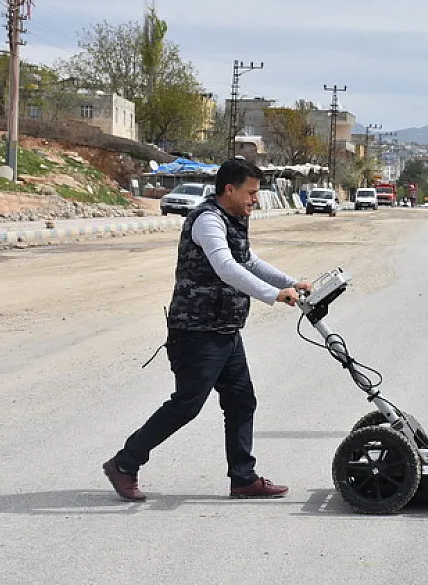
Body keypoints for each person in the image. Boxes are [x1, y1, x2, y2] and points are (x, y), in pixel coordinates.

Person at [103, 158, 311, 501]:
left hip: (226, 329)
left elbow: (248, 261)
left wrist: (291, 282)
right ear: (229, 189)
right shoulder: (207, 220)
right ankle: (124, 463)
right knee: (187, 404)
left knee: (242, 401)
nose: (255, 200)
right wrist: (274, 295)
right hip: (196, 330)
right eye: (250, 193)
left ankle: (243, 477)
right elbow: (226, 266)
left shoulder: (234, 219)